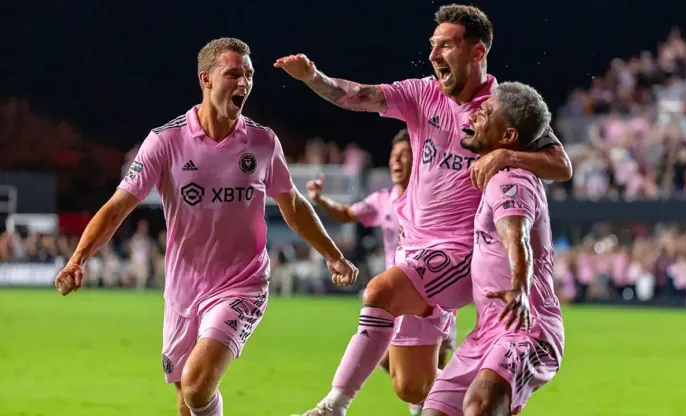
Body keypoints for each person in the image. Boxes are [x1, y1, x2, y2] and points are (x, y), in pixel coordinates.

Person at [275, 5, 572, 415]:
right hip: (414, 249)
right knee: (411, 387)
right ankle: (447, 368)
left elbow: (561, 165)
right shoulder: (423, 94)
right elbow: (359, 95)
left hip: (458, 252)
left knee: (379, 291)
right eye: (432, 45)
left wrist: (505, 155)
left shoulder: (500, 108)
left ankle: (333, 406)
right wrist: (313, 78)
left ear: (477, 52)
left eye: (446, 45)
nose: (433, 55)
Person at [53, 37, 358, 416]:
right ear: (206, 79)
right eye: (233, 74)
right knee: (187, 400)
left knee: (198, 387)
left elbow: (293, 204)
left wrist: (333, 256)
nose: (244, 83)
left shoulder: (262, 142)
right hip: (182, 291)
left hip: (241, 284)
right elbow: (117, 208)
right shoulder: (165, 141)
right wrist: (78, 258)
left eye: (249, 75)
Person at [424, 81, 564, 416]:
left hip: (525, 326)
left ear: (508, 136)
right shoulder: (499, 174)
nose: (474, 114)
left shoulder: (509, 178)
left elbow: (517, 235)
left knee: (481, 404)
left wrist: (519, 286)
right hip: (487, 331)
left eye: (486, 112)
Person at [307, 129, 457, 415]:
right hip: (393, 292)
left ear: (421, 159)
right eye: (393, 155)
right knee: (399, 372)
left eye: (404, 155)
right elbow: (347, 214)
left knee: (422, 374)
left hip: (427, 292)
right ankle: (461, 396)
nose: (396, 161)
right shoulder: (383, 200)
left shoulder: (434, 199)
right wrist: (320, 200)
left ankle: (334, 406)